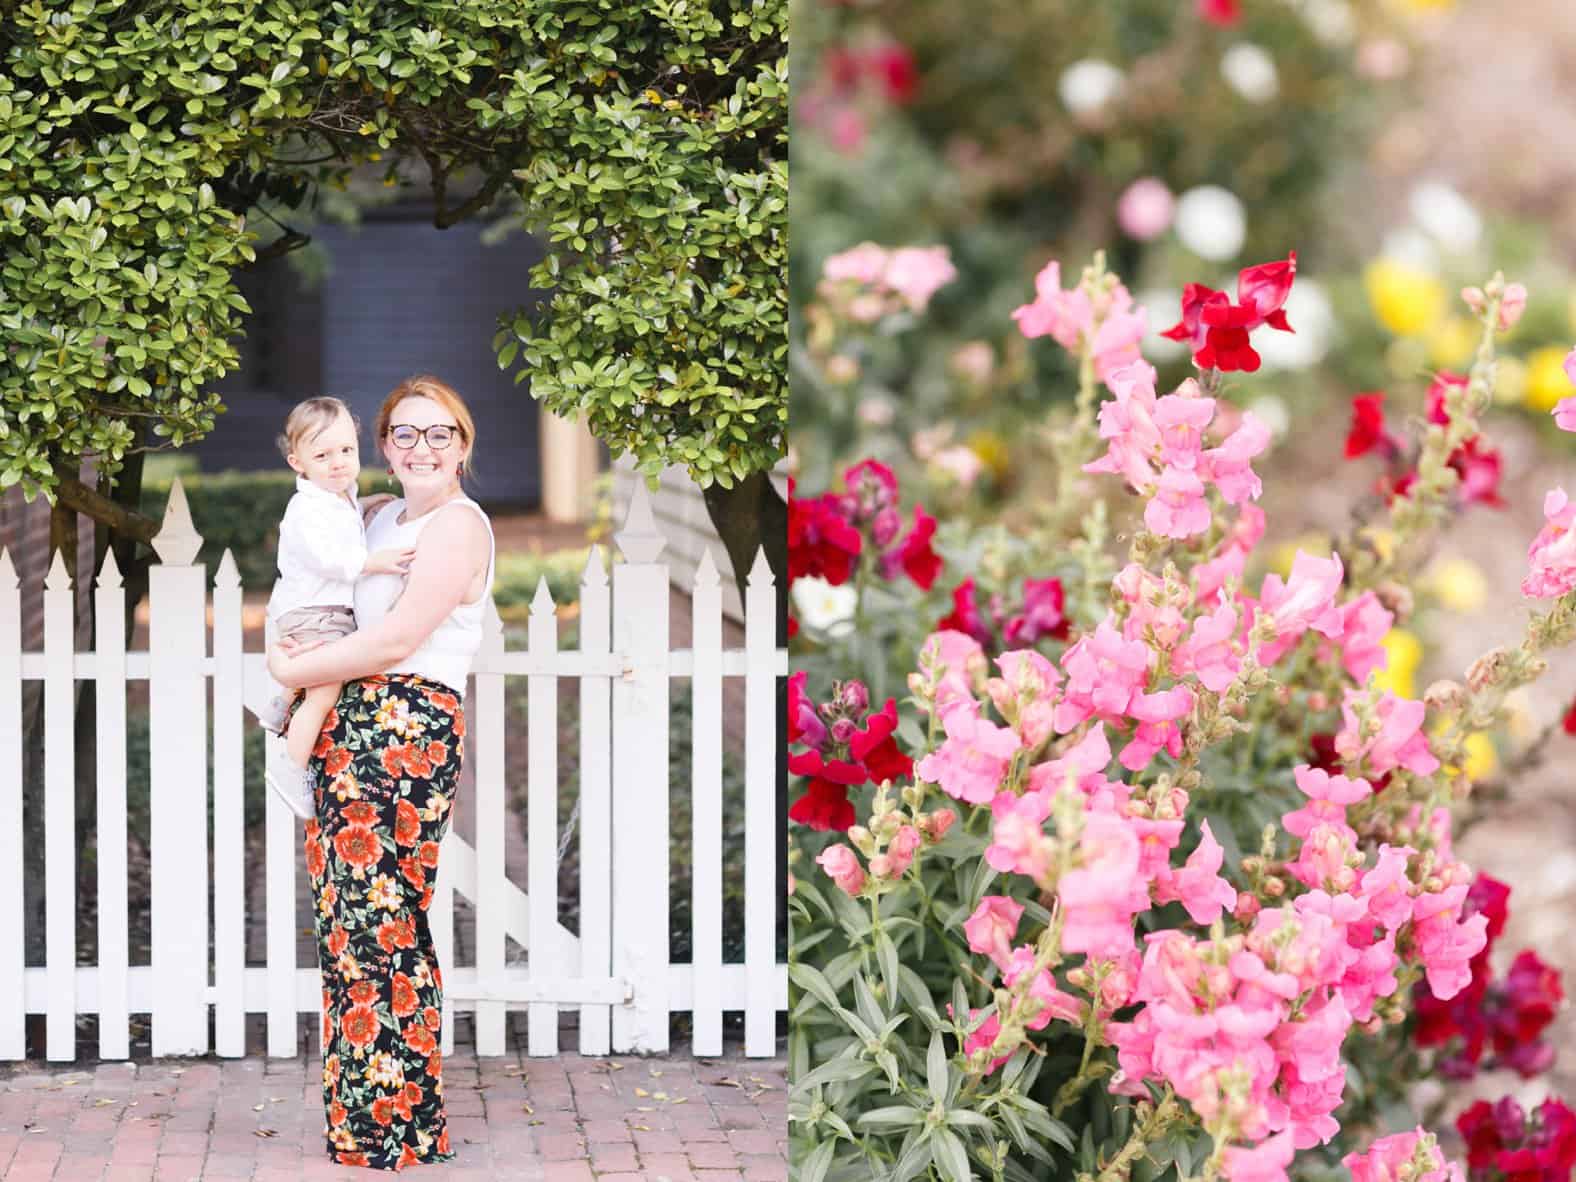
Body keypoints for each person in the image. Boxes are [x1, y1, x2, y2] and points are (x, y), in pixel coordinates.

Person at [267, 375, 495, 1171]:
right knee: (347, 925)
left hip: (405, 735)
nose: (420, 447)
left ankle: (401, 1131)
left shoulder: (459, 528)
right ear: (384, 443)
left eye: (439, 433)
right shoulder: (373, 518)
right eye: (404, 432)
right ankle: (360, 1127)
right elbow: (315, 588)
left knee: (387, 923)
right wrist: (286, 655)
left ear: (462, 445)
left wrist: (286, 670)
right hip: (347, 729)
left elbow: (395, 643)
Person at [257, 397, 416, 819]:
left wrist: (365, 505)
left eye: (347, 451)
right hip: (314, 610)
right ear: (298, 462)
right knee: (326, 688)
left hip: (323, 608)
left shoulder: (338, 494)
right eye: (322, 455)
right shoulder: (306, 508)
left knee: (323, 675)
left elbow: (342, 523)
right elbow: (325, 556)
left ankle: (281, 703)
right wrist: (372, 563)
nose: (338, 462)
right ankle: (289, 766)